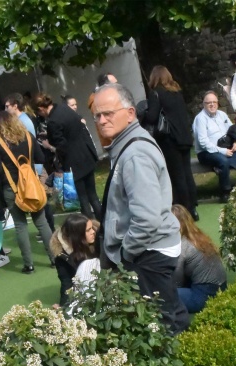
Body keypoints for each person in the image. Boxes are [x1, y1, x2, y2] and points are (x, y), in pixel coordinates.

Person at [93, 83, 188, 333]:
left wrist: (126, 252)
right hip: (150, 249)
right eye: (98, 115)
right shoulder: (127, 144)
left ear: (130, 113)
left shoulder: (134, 153)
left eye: (108, 113)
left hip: (149, 251)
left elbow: (146, 218)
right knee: (168, 315)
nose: (102, 120)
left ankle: (184, 365)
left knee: (162, 324)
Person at [0, 112, 52, 274]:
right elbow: (40, 158)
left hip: (12, 189)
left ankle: (29, 265)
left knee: (20, 225)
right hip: (32, 187)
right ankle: (55, 258)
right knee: (42, 223)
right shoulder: (28, 136)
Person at [143, 66, 198, 218]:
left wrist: (144, 113)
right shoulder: (177, 92)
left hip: (169, 139)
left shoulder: (156, 93)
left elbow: (152, 117)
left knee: (177, 175)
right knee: (187, 173)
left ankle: (184, 210)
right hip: (185, 137)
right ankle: (193, 207)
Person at [36, 93, 101, 219]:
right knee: (93, 196)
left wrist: (49, 145)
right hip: (86, 155)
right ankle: (102, 226)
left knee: (83, 200)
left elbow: (62, 146)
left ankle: (91, 231)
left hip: (74, 163)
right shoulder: (64, 108)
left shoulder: (53, 121)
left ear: (41, 109)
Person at [171, 205, 227, 314]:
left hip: (204, 294)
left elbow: (176, 281)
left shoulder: (182, 245)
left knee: (163, 294)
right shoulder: (199, 237)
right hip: (222, 287)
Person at [192, 91, 236, 203]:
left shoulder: (222, 115)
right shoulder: (200, 119)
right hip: (206, 152)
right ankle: (225, 192)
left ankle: (220, 167)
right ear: (204, 104)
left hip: (226, 146)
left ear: (218, 103)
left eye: (214, 102)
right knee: (222, 160)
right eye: (209, 102)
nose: (212, 104)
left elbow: (232, 130)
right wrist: (222, 151)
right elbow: (203, 143)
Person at [49, 214, 99, 306]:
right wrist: (64, 307)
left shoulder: (100, 239)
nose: (93, 232)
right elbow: (67, 282)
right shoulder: (62, 255)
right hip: (82, 284)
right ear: (77, 235)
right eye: (88, 230)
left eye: (92, 228)